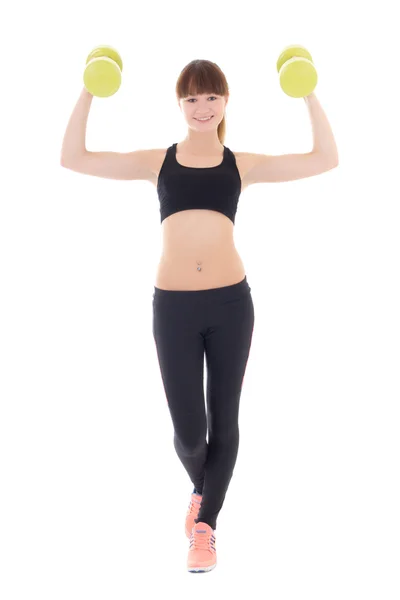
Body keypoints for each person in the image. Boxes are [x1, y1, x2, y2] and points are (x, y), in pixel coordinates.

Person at [60, 59, 339, 573]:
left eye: (211, 97)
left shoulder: (242, 164)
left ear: (226, 101)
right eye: (192, 98)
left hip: (231, 303)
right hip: (174, 306)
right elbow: (73, 157)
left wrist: (307, 92)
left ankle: (206, 528)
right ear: (180, 105)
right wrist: (88, 89)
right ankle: (202, 487)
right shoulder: (157, 161)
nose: (202, 107)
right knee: (189, 433)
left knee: (224, 417)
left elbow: (324, 158)